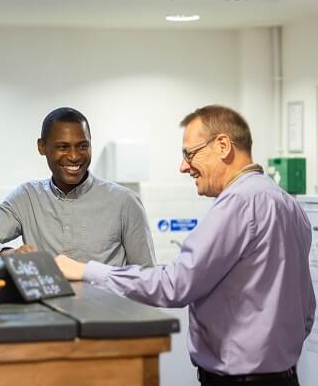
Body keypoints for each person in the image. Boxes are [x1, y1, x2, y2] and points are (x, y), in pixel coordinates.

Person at [55, 104, 316, 386]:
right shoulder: (288, 204)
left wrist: (86, 271)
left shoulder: (238, 203)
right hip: (285, 376)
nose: (183, 166)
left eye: (189, 154)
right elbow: (306, 310)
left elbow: (174, 285)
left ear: (223, 146)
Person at [0, 107, 155, 267]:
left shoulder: (124, 201)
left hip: (110, 307)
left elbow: (146, 273)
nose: (74, 156)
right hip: (47, 307)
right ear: (42, 147)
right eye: (63, 147)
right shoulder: (26, 198)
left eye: (82, 146)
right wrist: (8, 253)